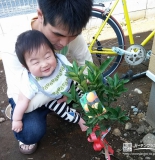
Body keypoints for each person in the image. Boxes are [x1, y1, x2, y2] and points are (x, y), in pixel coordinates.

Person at [1, 0, 93, 155]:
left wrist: (69, 87)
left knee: (99, 83)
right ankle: (23, 120)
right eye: (58, 34)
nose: (64, 42)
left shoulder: (68, 29)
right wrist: (64, 89)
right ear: (40, 15)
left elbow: (88, 67)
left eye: (73, 35)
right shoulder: (14, 43)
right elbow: (24, 102)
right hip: (28, 98)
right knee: (30, 132)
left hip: (58, 87)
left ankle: (73, 112)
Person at [12, 30, 87, 133]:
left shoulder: (61, 60)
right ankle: (79, 120)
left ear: (54, 53)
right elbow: (22, 102)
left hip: (69, 86)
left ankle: (96, 112)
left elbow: (74, 73)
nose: (44, 64)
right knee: (64, 111)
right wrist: (17, 120)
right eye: (35, 62)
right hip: (53, 99)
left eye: (47, 57)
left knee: (83, 90)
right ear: (26, 67)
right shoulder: (30, 82)